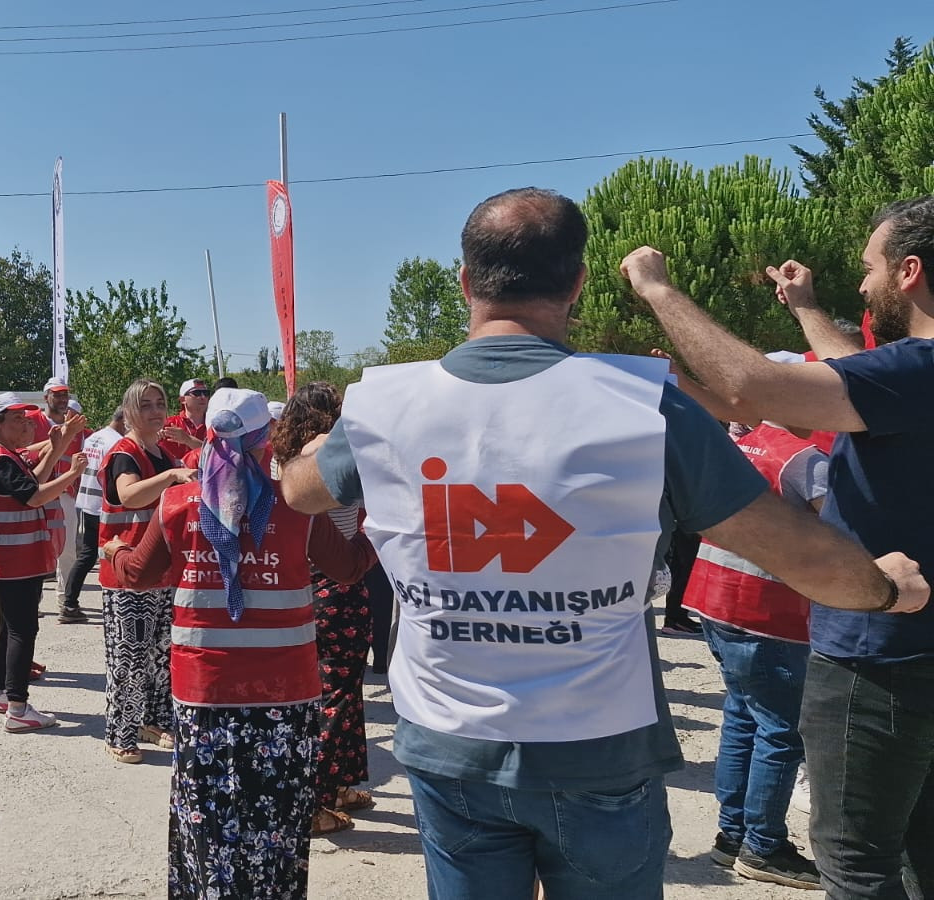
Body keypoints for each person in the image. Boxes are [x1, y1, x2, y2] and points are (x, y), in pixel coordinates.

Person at [282, 187, 928, 899]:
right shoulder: (642, 400)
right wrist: (885, 587)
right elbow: (794, 552)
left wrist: (293, 456)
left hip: (447, 743)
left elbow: (303, 491)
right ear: (578, 283)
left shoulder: (381, 403)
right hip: (597, 750)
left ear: (465, 281)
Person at [620, 195, 934, 898]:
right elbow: (851, 368)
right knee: (915, 843)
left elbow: (749, 387)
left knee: (854, 859)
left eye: (870, 267)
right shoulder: (910, 379)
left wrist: (658, 288)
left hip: (879, 657)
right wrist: (804, 306)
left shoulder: (919, 368)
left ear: (908, 272)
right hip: (910, 651)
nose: (862, 284)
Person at [103, 387, 376, 898]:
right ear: (266, 437)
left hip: (204, 692)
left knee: (207, 816)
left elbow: (139, 574)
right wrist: (382, 526)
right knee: (276, 818)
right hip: (286, 694)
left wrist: (116, 550)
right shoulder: (296, 506)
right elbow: (349, 568)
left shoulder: (179, 502)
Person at [682, 412, 829, 889]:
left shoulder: (747, 443)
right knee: (781, 731)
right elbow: (841, 530)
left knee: (743, 716)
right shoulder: (803, 459)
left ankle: (733, 835)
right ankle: (763, 846)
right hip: (766, 610)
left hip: (713, 598)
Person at [272, 381, 375, 836]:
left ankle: (340, 785)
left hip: (305, 581)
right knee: (336, 692)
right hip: (337, 582)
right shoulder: (327, 455)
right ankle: (313, 801)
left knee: (344, 690)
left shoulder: (285, 461)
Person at [0, 392, 85, 734]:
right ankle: (18, 707)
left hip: (14, 558)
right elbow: (35, 496)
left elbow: (31, 481)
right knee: (22, 628)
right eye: (17, 418)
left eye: (25, 417)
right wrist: (72, 472)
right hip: (13, 559)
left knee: (9, 625)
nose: (25, 423)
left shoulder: (4, 456)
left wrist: (58, 448)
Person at [98, 380, 192, 763]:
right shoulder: (125, 453)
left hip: (162, 571)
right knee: (130, 657)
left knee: (160, 654)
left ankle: (152, 722)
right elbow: (128, 495)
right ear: (130, 411)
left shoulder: (165, 453)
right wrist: (171, 479)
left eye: (160, 403)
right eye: (146, 405)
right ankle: (119, 732)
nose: (155, 411)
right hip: (128, 569)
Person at [63, 408, 126, 623]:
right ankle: (116, 603)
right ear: (124, 420)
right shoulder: (117, 443)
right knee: (114, 554)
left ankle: (69, 602)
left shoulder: (94, 438)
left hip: (87, 502)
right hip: (105, 507)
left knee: (88, 555)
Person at [29, 377, 84, 614]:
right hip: (36, 493)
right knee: (34, 548)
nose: (62, 399)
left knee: (67, 549)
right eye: (57, 394)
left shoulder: (75, 425)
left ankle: (66, 601)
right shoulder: (32, 421)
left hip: (65, 494)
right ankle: (32, 600)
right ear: (46, 397)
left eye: (65, 395)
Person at [157, 378, 209, 461]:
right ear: (182, 400)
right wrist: (153, 437)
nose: (203, 397)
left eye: (206, 393)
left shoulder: (214, 425)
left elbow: (217, 454)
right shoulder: (168, 424)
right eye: (197, 393)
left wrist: (187, 439)